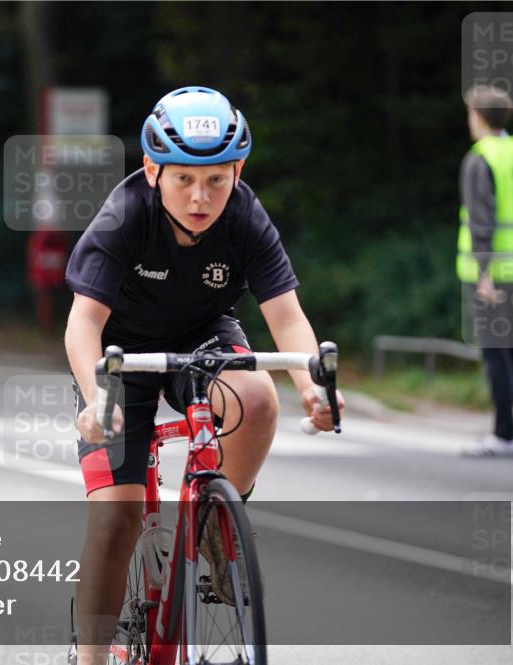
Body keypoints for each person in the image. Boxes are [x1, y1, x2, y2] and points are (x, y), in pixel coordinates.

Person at [63, 86, 343, 662]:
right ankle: (90, 656)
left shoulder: (244, 214)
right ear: (152, 169)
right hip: (120, 352)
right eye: (184, 178)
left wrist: (313, 388)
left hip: (201, 335)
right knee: (116, 518)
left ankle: (217, 525)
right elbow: (82, 324)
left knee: (258, 399)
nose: (200, 196)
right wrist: (97, 400)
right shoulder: (124, 215)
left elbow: (286, 316)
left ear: (237, 171)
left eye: (217, 179)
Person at [458, 86, 513, 457]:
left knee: (497, 353)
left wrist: (483, 273)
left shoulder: (480, 158)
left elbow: (481, 221)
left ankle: (503, 433)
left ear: (479, 117)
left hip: (492, 275)